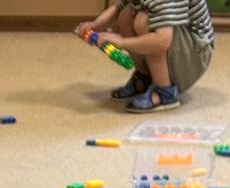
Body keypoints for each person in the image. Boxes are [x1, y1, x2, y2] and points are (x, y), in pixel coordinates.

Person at [77, 0, 214, 112]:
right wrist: (95, 25)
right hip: (178, 45)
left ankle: (164, 91)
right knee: (126, 14)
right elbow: (119, 8)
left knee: (144, 20)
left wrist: (122, 42)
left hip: (195, 55)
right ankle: (146, 77)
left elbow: (161, 41)